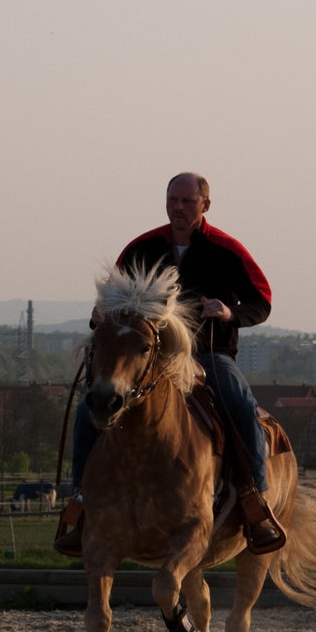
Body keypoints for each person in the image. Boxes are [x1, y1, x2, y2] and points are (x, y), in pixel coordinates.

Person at [54, 173, 285, 557]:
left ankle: (254, 502)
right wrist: (101, 314)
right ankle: (80, 506)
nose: (178, 208)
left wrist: (230, 312)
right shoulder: (142, 248)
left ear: (205, 205)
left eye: (187, 201)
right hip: (148, 359)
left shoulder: (227, 251)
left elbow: (262, 299)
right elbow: (114, 299)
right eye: (172, 200)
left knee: (239, 404)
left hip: (208, 355)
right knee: (87, 410)